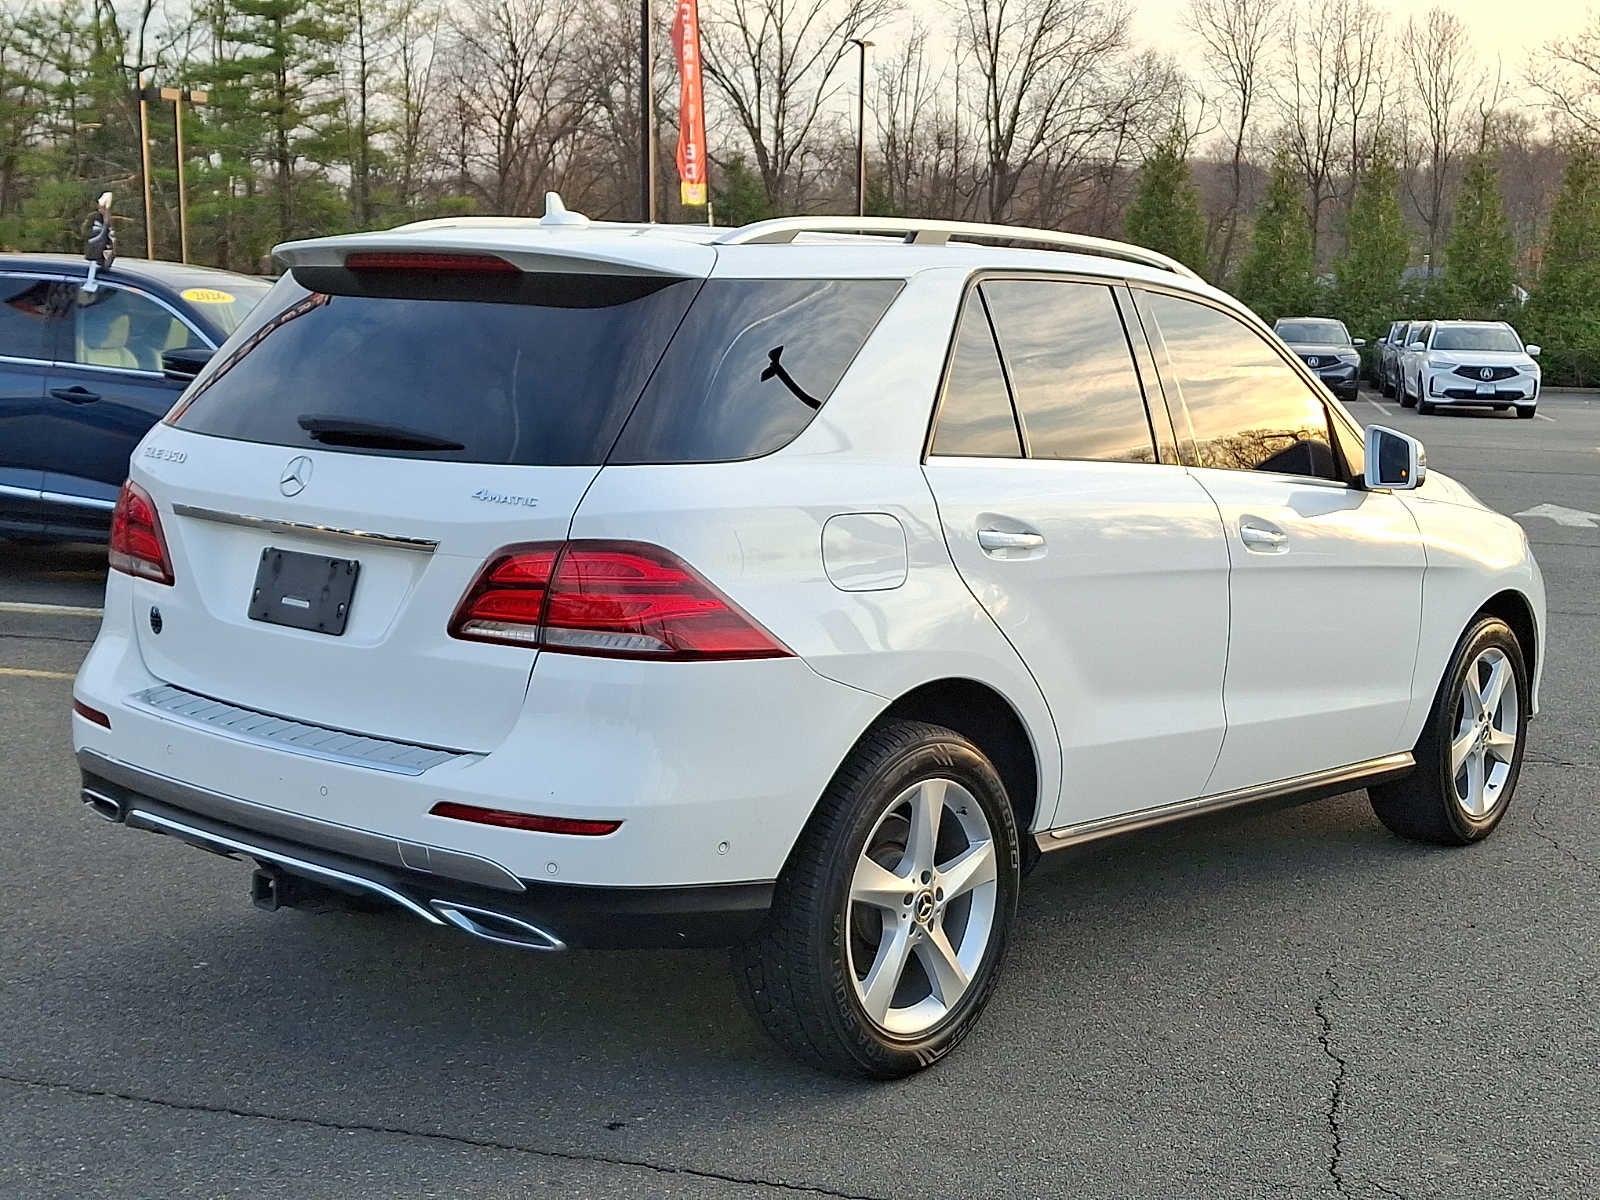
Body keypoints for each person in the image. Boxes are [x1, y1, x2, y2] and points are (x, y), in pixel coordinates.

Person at [83, 191, 115, 292]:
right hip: (95, 255)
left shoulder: (109, 221)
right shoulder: (94, 218)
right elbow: (89, 234)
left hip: (104, 256)